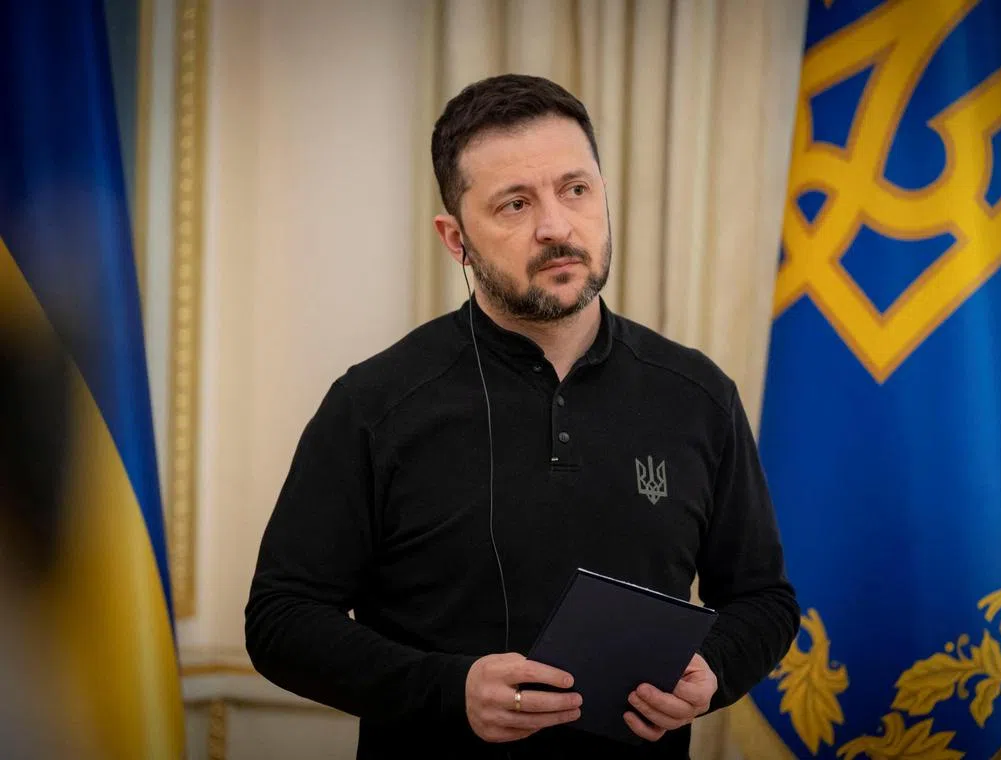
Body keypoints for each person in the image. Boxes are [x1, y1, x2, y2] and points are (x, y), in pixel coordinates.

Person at [245, 73, 799, 759]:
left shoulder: (699, 395)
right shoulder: (373, 404)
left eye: (576, 189)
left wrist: (713, 669)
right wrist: (449, 688)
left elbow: (763, 601)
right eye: (514, 204)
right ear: (456, 239)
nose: (557, 227)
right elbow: (281, 621)